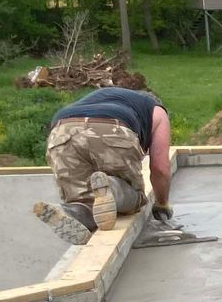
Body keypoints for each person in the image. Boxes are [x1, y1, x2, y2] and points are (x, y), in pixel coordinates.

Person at [32, 85, 173, 245]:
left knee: (84, 199)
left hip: (61, 131)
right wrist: (162, 203)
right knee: (134, 196)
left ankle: (69, 211)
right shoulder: (156, 110)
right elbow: (160, 168)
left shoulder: (103, 95)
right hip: (112, 128)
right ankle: (111, 187)